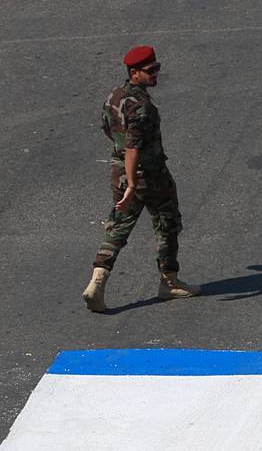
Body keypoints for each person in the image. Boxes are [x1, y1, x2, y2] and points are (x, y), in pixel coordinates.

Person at [82, 45, 200, 312]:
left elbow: (108, 130)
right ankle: (169, 281)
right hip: (149, 176)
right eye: (150, 71)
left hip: (119, 172)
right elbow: (134, 147)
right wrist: (135, 183)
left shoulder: (114, 96)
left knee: (118, 227)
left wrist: (125, 176)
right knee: (167, 224)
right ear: (134, 73)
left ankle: (97, 280)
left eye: (157, 68)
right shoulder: (141, 108)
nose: (156, 74)